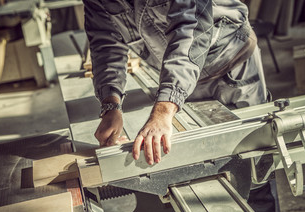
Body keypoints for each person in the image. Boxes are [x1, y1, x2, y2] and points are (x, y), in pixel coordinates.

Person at [83, 0, 268, 165]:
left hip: (230, 63)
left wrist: (164, 108)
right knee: (204, 161)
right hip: (182, 79)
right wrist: (110, 106)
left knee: (254, 159)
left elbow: (190, 29)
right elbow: (105, 45)